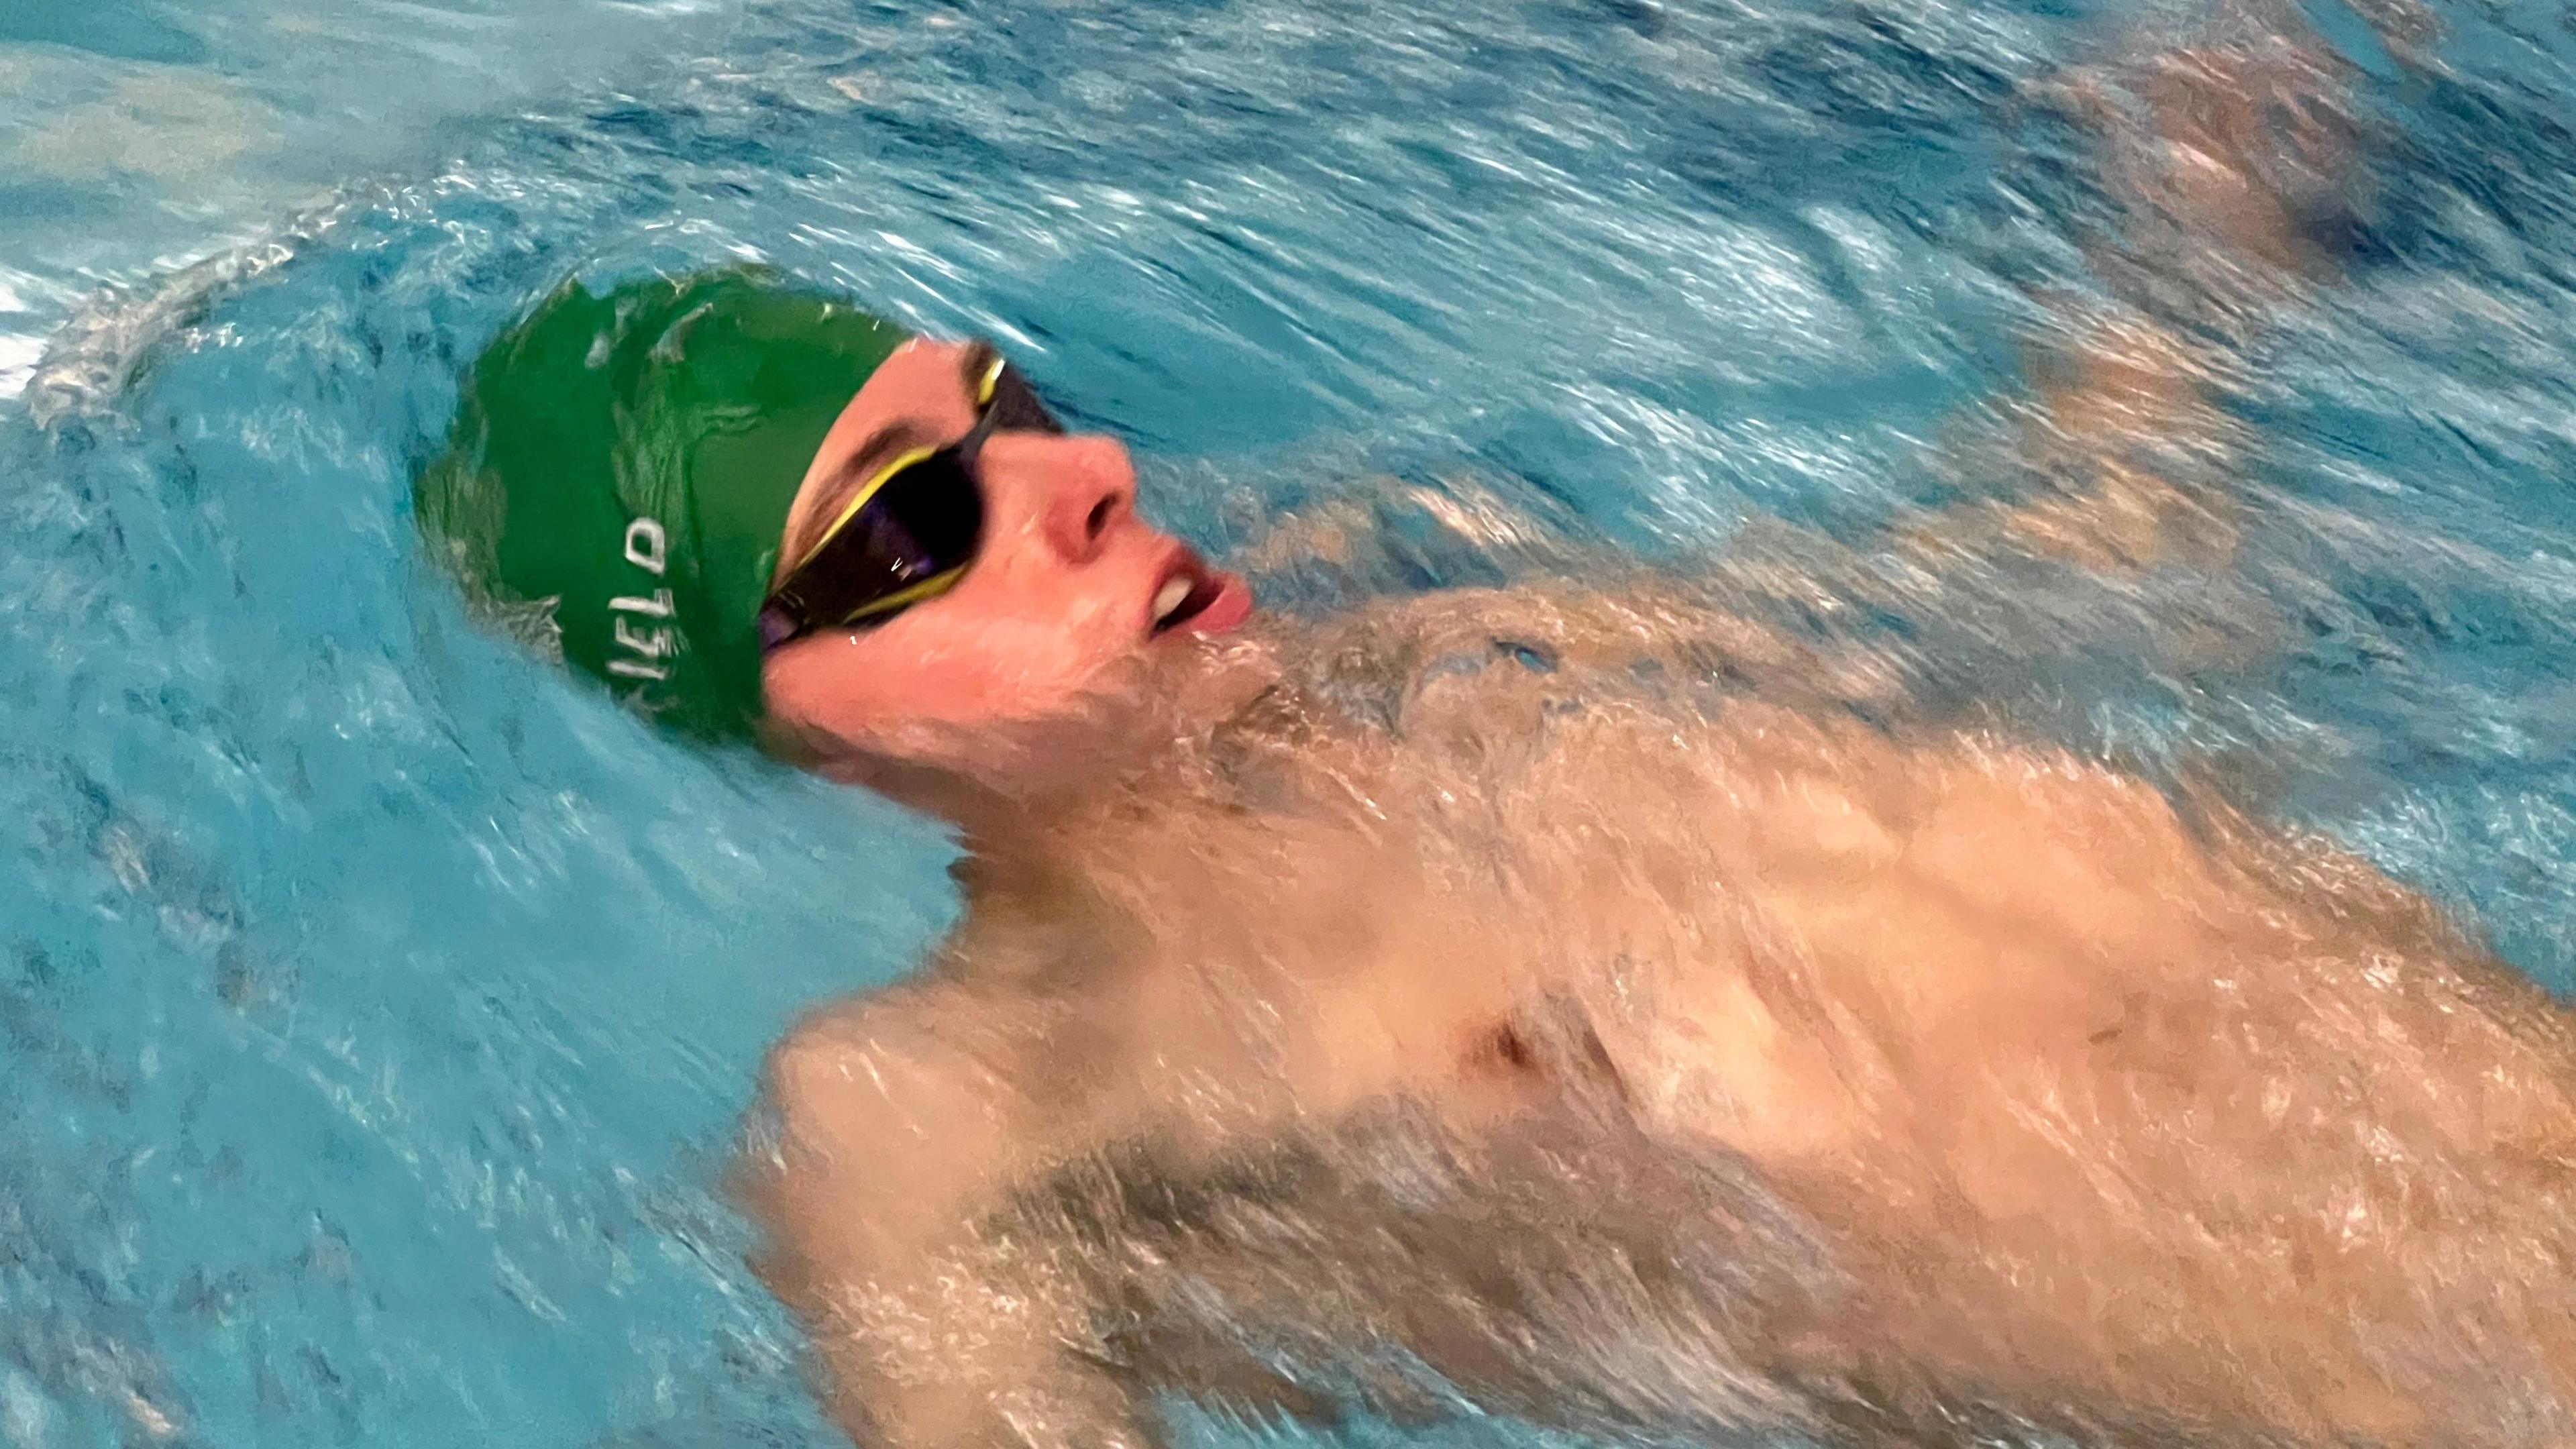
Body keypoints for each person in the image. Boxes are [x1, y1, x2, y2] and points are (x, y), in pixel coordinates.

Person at [415, 11, 2576, 1449]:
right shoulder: (939, 1102)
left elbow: (2041, 580)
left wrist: (2168, 284)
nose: (1075, 481)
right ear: (788, 728)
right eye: (911, 521)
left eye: (1013, 410)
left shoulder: (1467, 644)